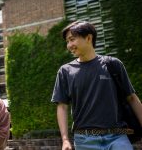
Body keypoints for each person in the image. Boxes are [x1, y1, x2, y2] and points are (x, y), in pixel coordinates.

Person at [51, 21, 142, 150]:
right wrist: (65, 139)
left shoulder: (113, 64)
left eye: (72, 39)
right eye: (67, 41)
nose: (69, 45)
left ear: (88, 38)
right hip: (84, 139)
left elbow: (132, 98)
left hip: (117, 136)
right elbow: (62, 107)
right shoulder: (65, 71)